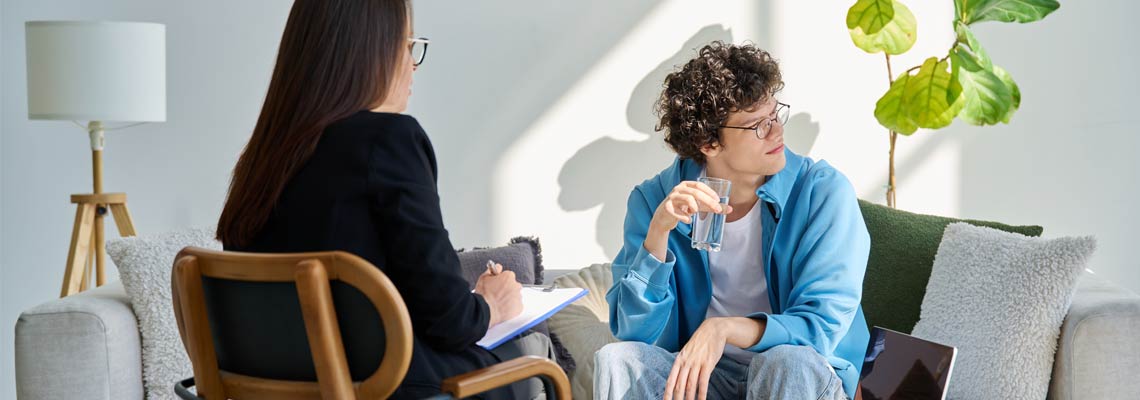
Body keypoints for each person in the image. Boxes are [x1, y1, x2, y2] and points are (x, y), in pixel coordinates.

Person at [215, 1, 552, 398]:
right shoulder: (390, 140)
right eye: (407, 44)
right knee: (534, 352)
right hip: (380, 384)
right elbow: (450, 321)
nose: (413, 64)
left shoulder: (261, 158)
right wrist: (491, 303)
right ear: (372, 50)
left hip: (273, 388)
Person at [594, 41, 871, 400]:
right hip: (707, 378)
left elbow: (821, 327)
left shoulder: (821, 193)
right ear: (709, 143)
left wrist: (723, 329)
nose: (776, 132)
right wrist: (658, 235)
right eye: (757, 126)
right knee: (616, 360)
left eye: (775, 115)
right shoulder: (654, 202)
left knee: (787, 362)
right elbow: (634, 332)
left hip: (800, 374)